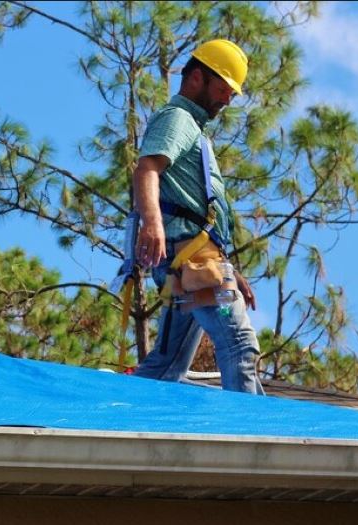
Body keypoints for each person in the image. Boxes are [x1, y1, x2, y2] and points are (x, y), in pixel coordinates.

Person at [132, 39, 263, 394]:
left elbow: (195, 207)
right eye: (221, 90)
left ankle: (112, 417)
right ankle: (251, 440)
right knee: (239, 346)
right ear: (195, 79)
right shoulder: (179, 119)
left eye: (231, 95)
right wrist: (152, 222)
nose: (225, 100)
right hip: (190, 258)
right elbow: (147, 169)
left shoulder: (195, 129)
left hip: (192, 260)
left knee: (167, 364)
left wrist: (229, 267)